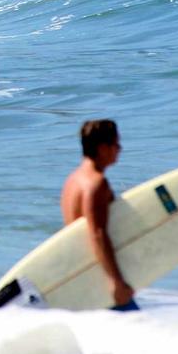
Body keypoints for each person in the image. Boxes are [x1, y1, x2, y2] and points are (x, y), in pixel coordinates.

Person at [61, 118, 136, 310]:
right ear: (103, 148)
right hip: (100, 277)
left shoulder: (72, 180)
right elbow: (97, 234)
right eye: (116, 144)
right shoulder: (96, 184)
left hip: (81, 273)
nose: (120, 149)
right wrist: (116, 282)